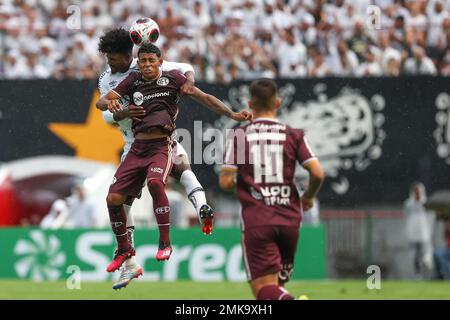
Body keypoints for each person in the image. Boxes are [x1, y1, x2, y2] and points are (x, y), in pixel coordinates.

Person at [96, 43, 251, 282]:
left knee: (157, 182)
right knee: (113, 199)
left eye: (151, 61)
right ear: (138, 62)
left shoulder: (174, 78)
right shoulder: (132, 81)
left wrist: (232, 114)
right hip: (137, 146)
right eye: (143, 61)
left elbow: (205, 98)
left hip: (162, 144)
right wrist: (113, 104)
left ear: (160, 61)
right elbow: (102, 103)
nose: (147, 65)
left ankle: (165, 242)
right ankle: (125, 250)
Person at [219, 79, 324, 300]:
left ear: (249, 103)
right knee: (276, 286)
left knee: (263, 289)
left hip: (258, 219)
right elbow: (317, 173)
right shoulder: (294, 135)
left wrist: (247, 183)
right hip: (290, 219)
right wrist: (308, 197)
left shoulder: (239, 135)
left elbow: (226, 182)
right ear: (277, 102)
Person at [404, 182, 433, 278]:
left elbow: (429, 217)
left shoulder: (425, 203)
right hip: (413, 232)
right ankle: (418, 273)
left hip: (423, 231)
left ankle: (426, 269)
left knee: (425, 252)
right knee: (415, 253)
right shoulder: (409, 204)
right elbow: (406, 216)